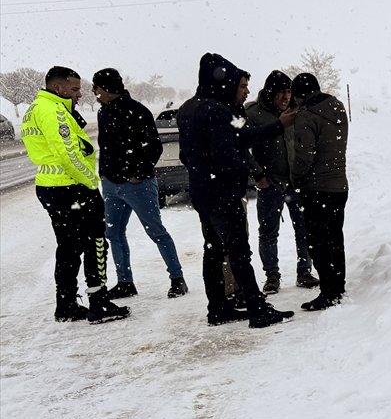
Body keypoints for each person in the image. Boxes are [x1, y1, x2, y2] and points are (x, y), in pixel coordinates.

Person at [177, 53, 292, 328]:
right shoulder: (217, 110)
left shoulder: (189, 108)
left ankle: (217, 308)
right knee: (239, 252)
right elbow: (229, 151)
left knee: (213, 250)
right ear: (223, 80)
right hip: (222, 194)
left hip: (202, 192)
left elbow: (192, 152)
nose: (246, 90)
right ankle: (256, 308)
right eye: (240, 85)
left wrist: (274, 127)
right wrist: (241, 172)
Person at [22, 66, 129, 323]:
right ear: (57, 87)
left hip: (51, 186)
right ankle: (99, 302)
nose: (80, 94)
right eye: (74, 89)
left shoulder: (36, 108)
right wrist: (91, 181)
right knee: (95, 242)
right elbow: (68, 154)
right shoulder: (53, 111)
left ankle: (66, 304)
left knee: (68, 247)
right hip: (70, 187)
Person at [92, 68, 188, 300]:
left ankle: (177, 279)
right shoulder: (103, 113)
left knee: (156, 231)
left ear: (106, 88)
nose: (94, 92)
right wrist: (105, 174)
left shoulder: (137, 111)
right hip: (111, 186)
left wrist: (137, 173)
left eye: (96, 88)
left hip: (139, 185)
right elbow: (106, 148)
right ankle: (125, 282)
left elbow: (154, 147)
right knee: (113, 234)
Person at [244, 70, 318, 294]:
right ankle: (272, 276)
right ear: (270, 92)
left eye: (289, 91)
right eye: (281, 92)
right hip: (271, 183)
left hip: (297, 182)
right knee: (268, 232)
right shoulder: (253, 114)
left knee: (304, 229)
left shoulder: (298, 110)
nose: (287, 96)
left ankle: (304, 271)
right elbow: (242, 148)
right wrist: (258, 174)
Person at [290, 72, 348, 311]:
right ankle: (338, 284)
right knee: (335, 236)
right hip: (339, 185)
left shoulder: (306, 116)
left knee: (317, 241)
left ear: (299, 96)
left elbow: (304, 157)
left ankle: (328, 290)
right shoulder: (338, 106)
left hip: (317, 188)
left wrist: (295, 180)